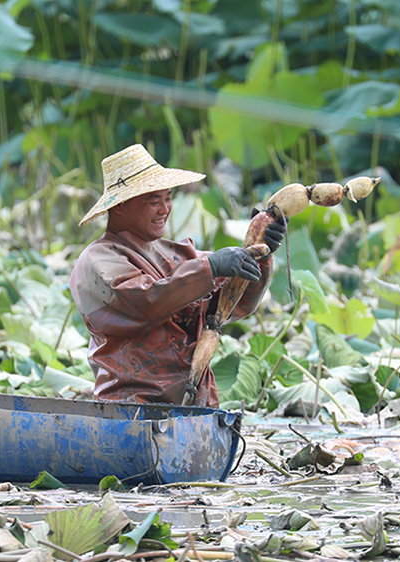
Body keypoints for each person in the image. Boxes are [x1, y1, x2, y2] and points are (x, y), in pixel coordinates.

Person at [69, 144, 284, 407]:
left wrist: (261, 255)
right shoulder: (98, 260)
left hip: (195, 407)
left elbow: (234, 306)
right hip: (132, 409)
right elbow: (146, 300)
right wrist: (212, 267)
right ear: (121, 206)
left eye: (168, 198)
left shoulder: (178, 254)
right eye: (153, 201)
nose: (165, 209)